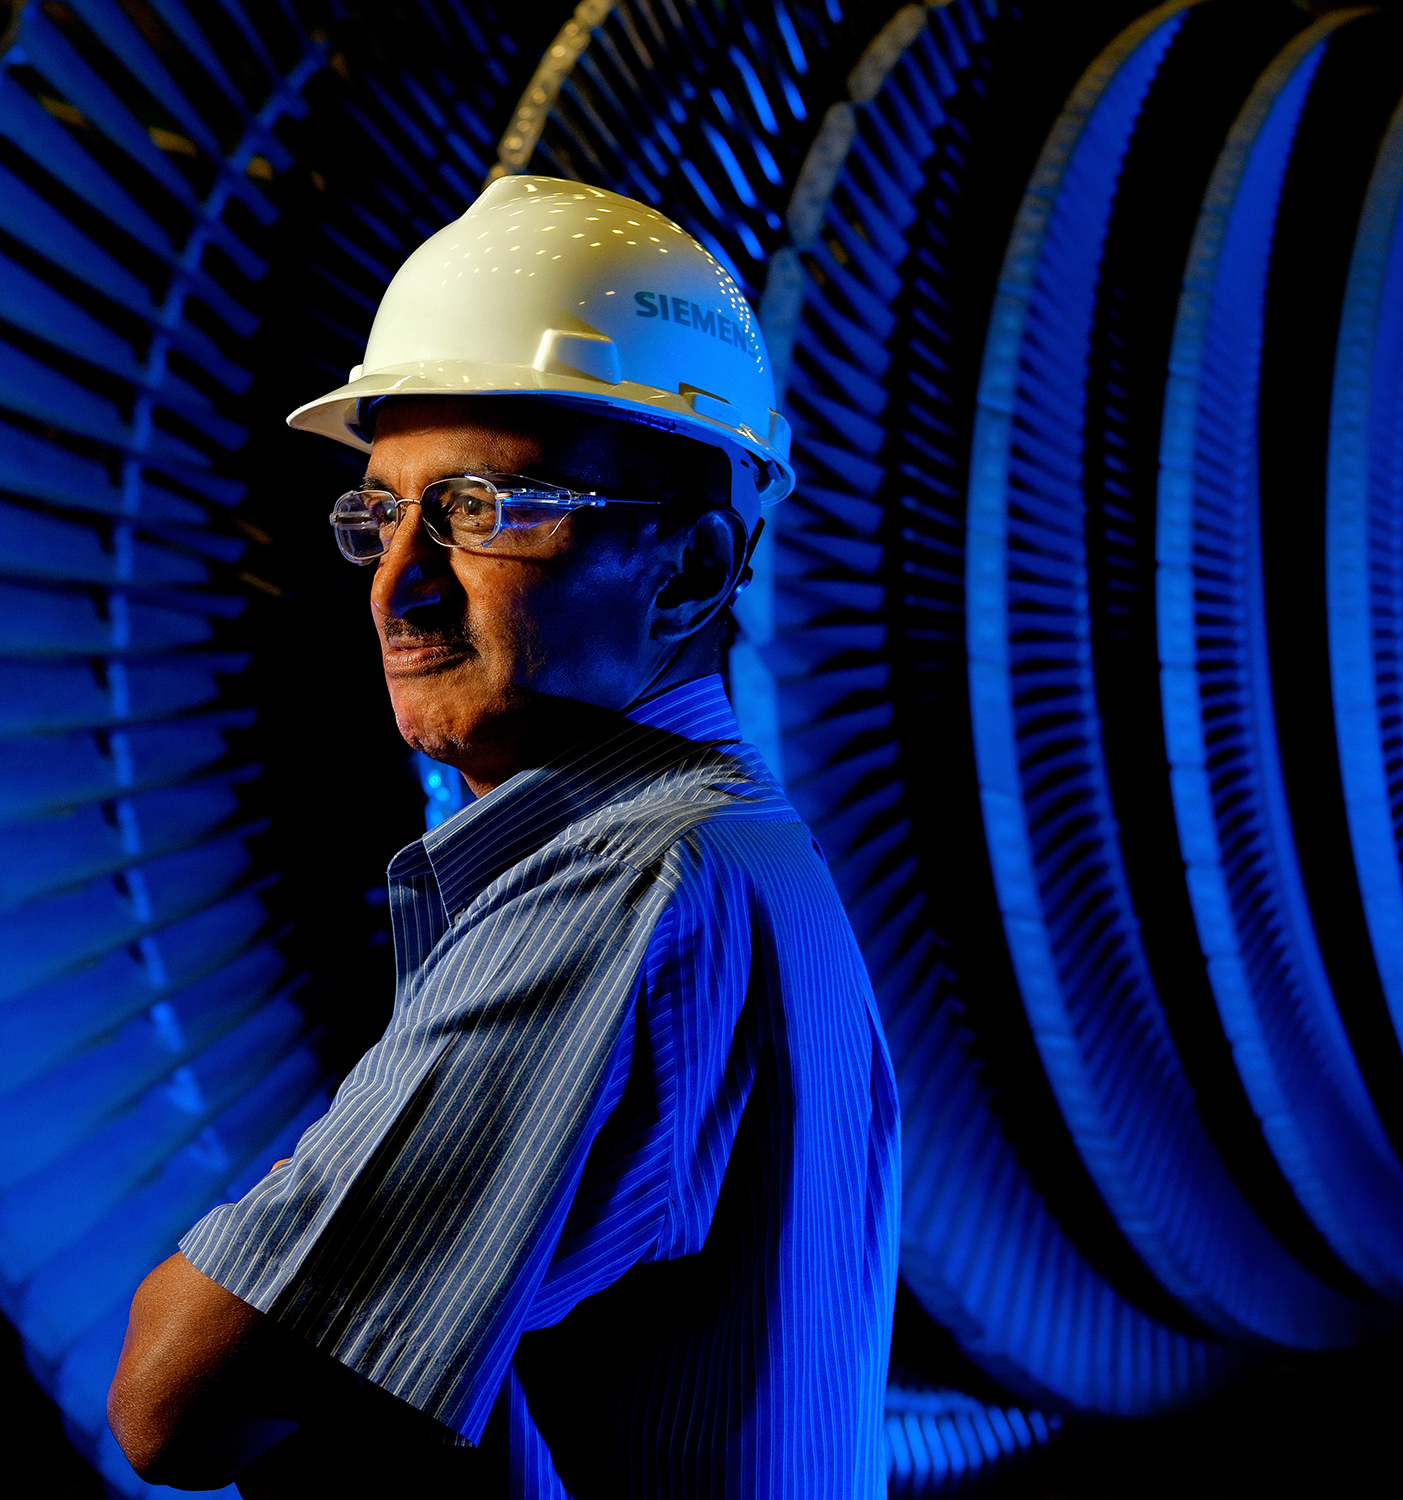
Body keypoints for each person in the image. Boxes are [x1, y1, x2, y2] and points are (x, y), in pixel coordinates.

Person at [104, 175, 899, 1498]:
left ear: (694, 571)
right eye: (381, 511)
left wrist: (319, 1178)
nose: (400, 581)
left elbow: (174, 1398)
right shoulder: (740, 865)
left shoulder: (621, 891)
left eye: (484, 508)